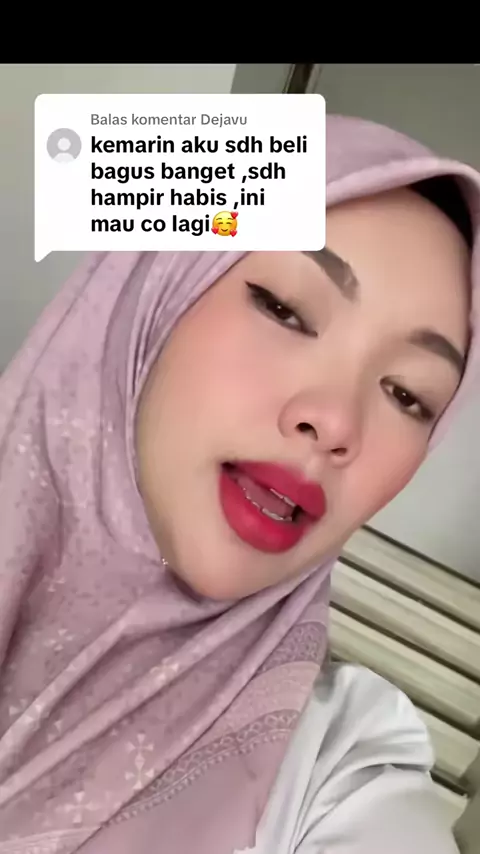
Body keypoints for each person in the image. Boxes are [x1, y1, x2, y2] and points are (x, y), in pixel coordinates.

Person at [0, 114, 478, 854]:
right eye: (284, 309)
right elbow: (71, 155)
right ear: (153, 293)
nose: (335, 421)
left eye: (408, 395)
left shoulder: (341, 767)